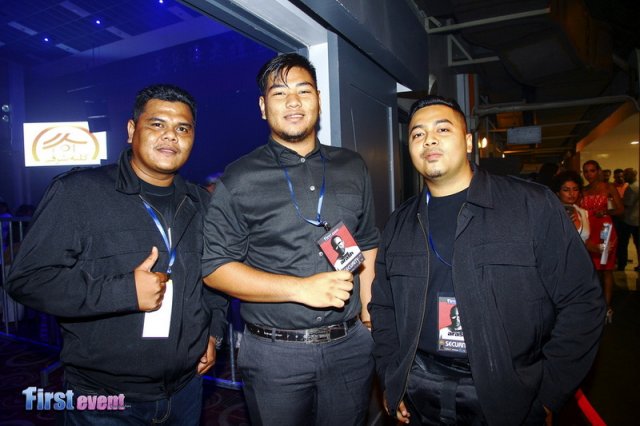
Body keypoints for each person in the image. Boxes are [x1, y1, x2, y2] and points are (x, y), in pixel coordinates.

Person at [369, 95, 604, 425]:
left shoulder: (530, 206)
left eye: (442, 129)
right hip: (420, 388)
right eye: (417, 134)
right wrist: (392, 378)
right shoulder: (399, 223)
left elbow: (582, 301)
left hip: (508, 393)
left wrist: (549, 393)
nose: (429, 139)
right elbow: (384, 308)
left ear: (468, 142)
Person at [4, 84, 228, 425]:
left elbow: (213, 278)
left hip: (186, 388)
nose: (171, 135)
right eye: (157, 124)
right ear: (131, 130)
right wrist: (124, 291)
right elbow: (27, 279)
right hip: (104, 398)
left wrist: (213, 332)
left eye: (183, 128)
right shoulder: (78, 193)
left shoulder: (201, 202)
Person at [201, 53, 379, 426]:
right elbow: (215, 268)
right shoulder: (239, 178)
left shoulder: (353, 166)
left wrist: (368, 314)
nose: (293, 102)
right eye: (280, 93)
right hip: (274, 354)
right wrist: (301, 289)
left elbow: (366, 242)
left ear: (318, 99)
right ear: (263, 107)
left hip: (350, 347)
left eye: (303, 90)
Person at [580, 160, 623, 321]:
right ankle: (593, 304)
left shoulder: (608, 187)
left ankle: (606, 307)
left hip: (605, 231)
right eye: (586, 171)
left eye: (592, 170)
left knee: (607, 269)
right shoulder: (583, 191)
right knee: (591, 269)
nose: (589, 174)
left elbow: (620, 210)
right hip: (589, 232)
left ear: (598, 171)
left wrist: (605, 211)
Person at [551, 170, 590, 242]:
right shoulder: (552, 213)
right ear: (558, 192)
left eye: (575, 189)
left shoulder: (583, 213)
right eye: (566, 190)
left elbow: (585, 240)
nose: (571, 193)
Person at [620, 168, 639, 271]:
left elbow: (627, 203)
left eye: (625, 175)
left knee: (623, 243)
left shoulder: (632, 188)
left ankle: (622, 264)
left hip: (630, 220)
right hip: (635, 219)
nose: (624, 177)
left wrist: (619, 202)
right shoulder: (637, 185)